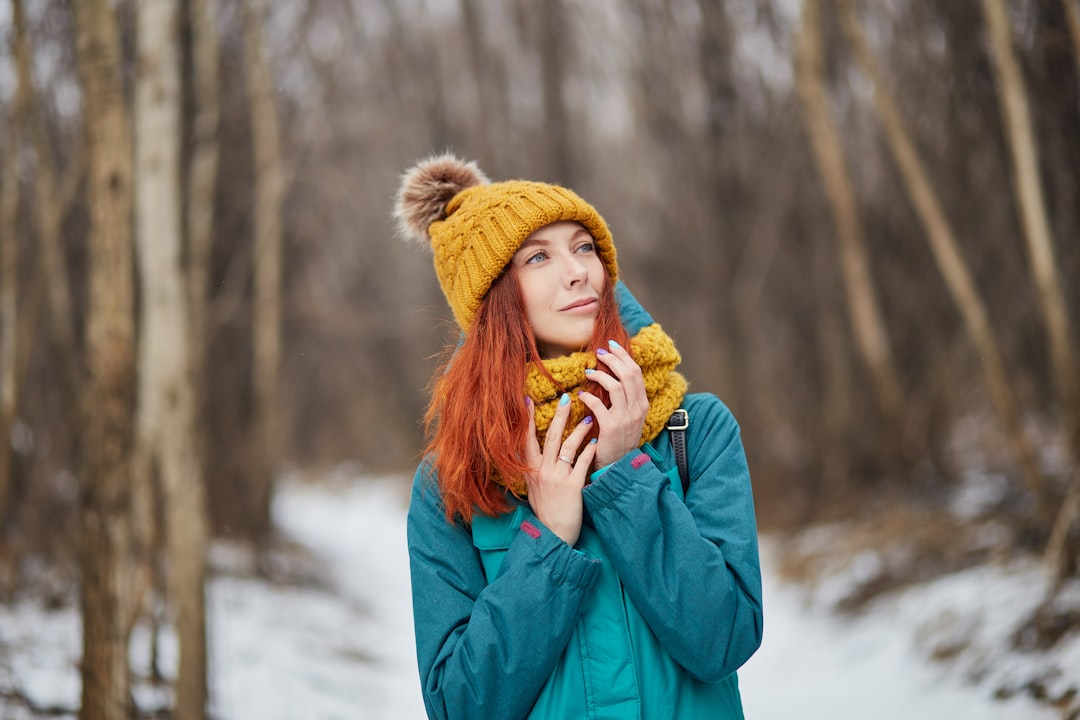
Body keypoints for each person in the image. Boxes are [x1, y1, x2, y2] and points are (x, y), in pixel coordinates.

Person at [394, 153, 762, 720]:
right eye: (538, 256)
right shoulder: (454, 480)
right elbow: (462, 707)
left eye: (584, 246)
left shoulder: (695, 429)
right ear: (493, 301)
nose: (577, 270)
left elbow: (725, 640)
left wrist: (625, 476)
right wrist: (547, 543)